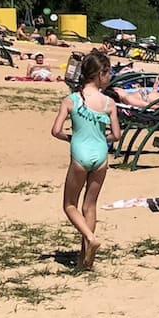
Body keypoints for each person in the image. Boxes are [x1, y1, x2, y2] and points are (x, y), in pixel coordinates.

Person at [50, 50, 120, 270]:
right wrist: (101, 137)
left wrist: (73, 137)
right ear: (100, 74)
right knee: (90, 205)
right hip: (100, 154)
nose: (110, 78)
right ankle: (85, 260)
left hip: (80, 153)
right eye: (108, 73)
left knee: (70, 205)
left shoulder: (71, 100)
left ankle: (89, 238)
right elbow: (116, 135)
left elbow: (55, 130)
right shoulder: (109, 103)